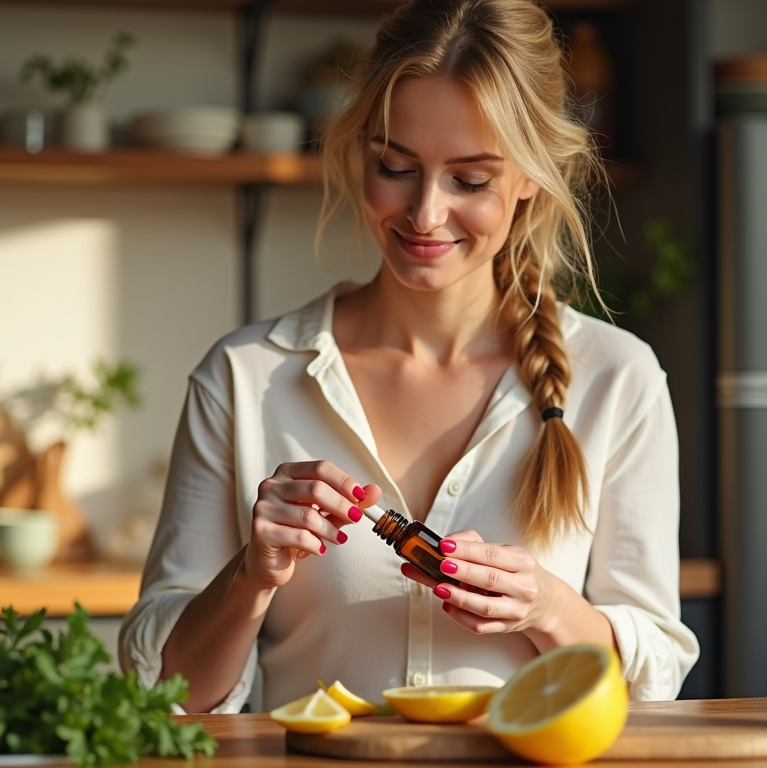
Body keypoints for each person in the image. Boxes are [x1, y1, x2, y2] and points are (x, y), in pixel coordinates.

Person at [119, 0, 699, 714]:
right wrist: (250, 577)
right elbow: (171, 698)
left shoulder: (619, 379)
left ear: (530, 178)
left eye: (470, 179)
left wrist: (546, 607)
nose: (425, 213)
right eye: (396, 165)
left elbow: (651, 679)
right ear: (360, 153)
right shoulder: (243, 378)